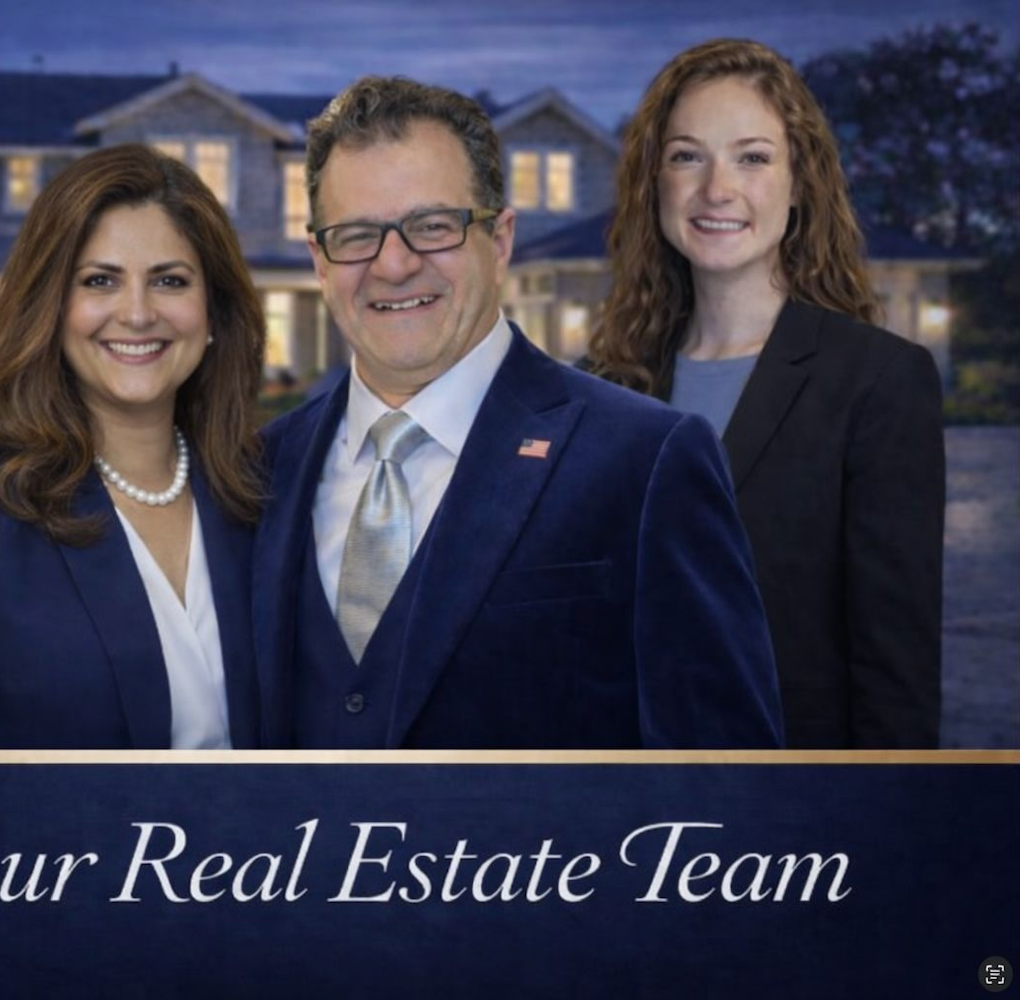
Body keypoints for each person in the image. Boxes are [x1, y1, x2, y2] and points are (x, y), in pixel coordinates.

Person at [254, 76, 784, 749]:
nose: (393, 265)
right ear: (319, 261)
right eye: (357, 235)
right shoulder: (260, 471)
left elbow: (728, 779)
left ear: (500, 239)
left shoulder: (647, 460)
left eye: (433, 227)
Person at [588, 40, 945, 747]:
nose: (717, 189)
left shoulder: (877, 382)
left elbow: (895, 670)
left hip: (795, 816)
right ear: (652, 179)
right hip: (627, 815)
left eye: (752, 157)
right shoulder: (605, 385)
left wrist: (888, 834)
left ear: (799, 180)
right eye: (687, 155)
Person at [0, 144, 265, 749]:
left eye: (170, 281)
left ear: (213, 313)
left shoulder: (261, 495)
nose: (136, 313)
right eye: (99, 281)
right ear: (49, 306)